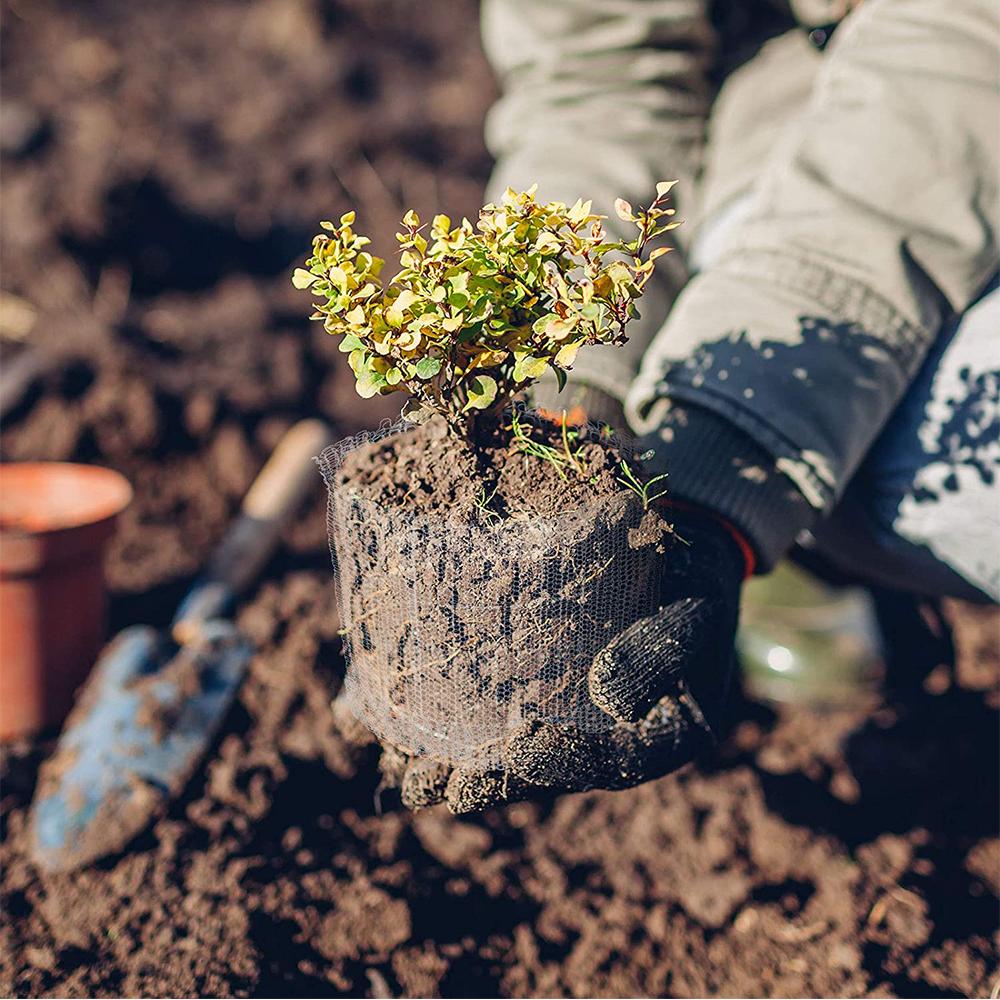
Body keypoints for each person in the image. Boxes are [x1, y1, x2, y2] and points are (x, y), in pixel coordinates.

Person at [346, 0, 1000, 812]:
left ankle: (795, 524)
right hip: (820, 135)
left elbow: (967, 40)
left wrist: (729, 453)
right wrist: (568, 392)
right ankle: (805, 542)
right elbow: (599, 82)